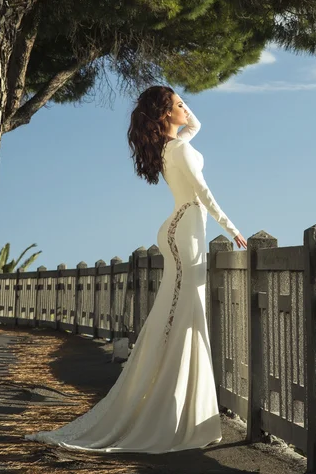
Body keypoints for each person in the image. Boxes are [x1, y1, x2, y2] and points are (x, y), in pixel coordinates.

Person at [25, 85, 247, 454]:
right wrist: (233, 228)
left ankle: (183, 410)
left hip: (180, 230)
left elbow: (196, 123)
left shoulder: (171, 147)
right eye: (177, 105)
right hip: (186, 232)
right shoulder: (178, 150)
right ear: (164, 115)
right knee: (181, 315)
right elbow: (205, 194)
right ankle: (167, 410)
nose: (184, 109)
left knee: (182, 315)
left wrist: (170, 99)